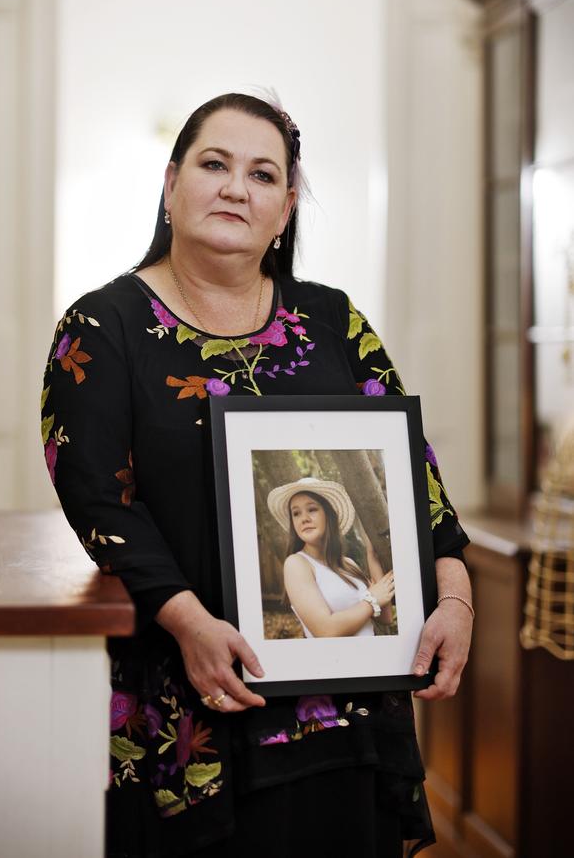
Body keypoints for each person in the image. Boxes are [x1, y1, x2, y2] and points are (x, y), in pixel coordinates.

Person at [41, 92, 473, 858]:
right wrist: (190, 623)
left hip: (350, 714)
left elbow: (414, 470)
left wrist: (457, 594)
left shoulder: (333, 320)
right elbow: (99, 501)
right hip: (197, 696)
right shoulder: (101, 327)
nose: (237, 187)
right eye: (215, 164)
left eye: (262, 174)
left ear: (285, 207)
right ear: (171, 185)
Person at [267, 477, 395, 638]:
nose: (304, 518)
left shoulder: (349, 564)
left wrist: (372, 557)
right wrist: (372, 601)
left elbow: (386, 617)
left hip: (370, 658)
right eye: (296, 513)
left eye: (312, 509)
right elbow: (325, 630)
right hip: (334, 662)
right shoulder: (297, 564)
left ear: (329, 515)